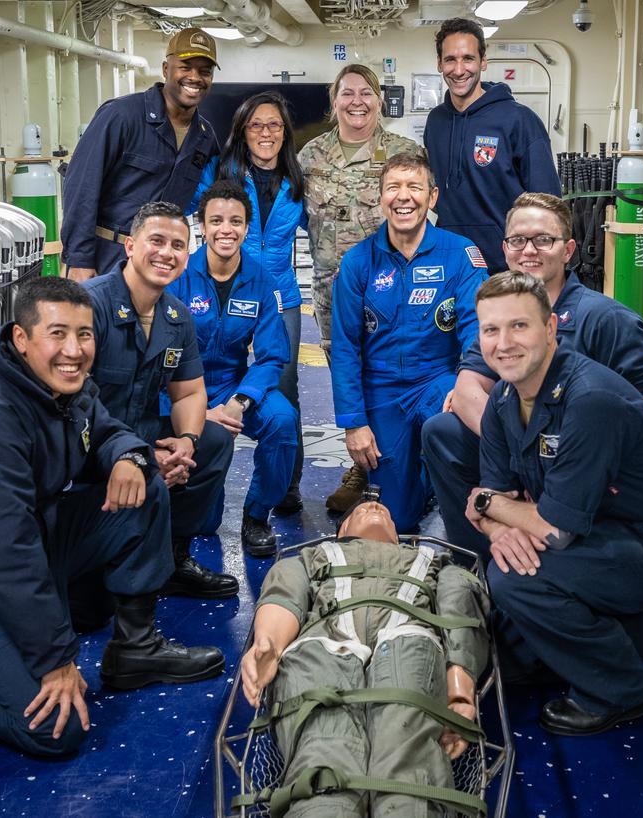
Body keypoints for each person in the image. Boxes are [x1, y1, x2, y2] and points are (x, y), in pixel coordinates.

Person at [0, 277, 224, 758]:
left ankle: (135, 647)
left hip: (35, 540)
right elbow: (5, 558)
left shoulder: (62, 388)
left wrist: (128, 457)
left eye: (84, 334)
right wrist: (57, 659)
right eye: (58, 334)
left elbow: (107, 430)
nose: (74, 350)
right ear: (21, 339)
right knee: (57, 731)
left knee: (144, 486)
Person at [466, 272, 643, 736]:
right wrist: (497, 525)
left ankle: (621, 691)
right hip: (594, 536)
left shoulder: (590, 398)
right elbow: (493, 501)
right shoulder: (504, 399)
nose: (503, 343)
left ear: (551, 330)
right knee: (509, 658)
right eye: (491, 330)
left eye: (519, 327)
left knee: (515, 580)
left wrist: (488, 506)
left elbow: (550, 529)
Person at [423, 192, 643, 556]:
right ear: (505, 250)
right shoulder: (501, 313)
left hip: (590, 467)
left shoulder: (610, 322)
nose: (529, 251)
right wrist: (522, 448)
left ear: (568, 250)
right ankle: (483, 556)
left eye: (544, 240)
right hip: (526, 457)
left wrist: (553, 454)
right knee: (442, 432)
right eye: (518, 241)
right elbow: (467, 389)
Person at [239, 499, 490, 817]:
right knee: (322, 752)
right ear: (339, 532)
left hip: (409, 639)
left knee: (407, 741)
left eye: (385, 511)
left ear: (398, 535)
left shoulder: (435, 563)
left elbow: (460, 612)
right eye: (358, 511)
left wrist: (460, 685)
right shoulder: (308, 559)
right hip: (323, 643)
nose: (373, 506)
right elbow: (284, 595)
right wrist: (270, 645)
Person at [83, 201, 239, 600]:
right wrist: (135, 453)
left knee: (214, 441)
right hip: (85, 443)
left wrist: (185, 443)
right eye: (157, 241)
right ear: (130, 246)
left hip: (139, 432)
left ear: (187, 257)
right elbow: (73, 404)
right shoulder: (88, 306)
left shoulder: (176, 317)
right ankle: (104, 553)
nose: (166, 253)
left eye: (178, 245)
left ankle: (170, 557)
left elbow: (188, 391)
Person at [330, 151, 487, 534]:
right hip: (382, 391)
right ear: (380, 196)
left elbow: (476, 329)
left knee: (462, 426)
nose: (404, 197)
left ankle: (445, 477)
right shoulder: (357, 263)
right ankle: (419, 478)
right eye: (393, 187)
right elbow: (346, 347)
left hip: (438, 380)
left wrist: (467, 384)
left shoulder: (461, 255)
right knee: (397, 520)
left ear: (432, 197)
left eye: (414, 187)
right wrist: (354, 424)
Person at [299, 65, 420, 515]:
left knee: (394, 374)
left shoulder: (404, 152)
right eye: (346, 93)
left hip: (391, 290)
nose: (357, 101)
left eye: (365, 92)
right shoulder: (311, 156)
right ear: (333, 101)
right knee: (347, 379)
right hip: (333, 294)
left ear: (379, 98)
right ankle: (360, 468)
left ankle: (404, 465)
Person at [189, 91, 309, 515]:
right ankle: (197, 481)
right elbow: (194, 208)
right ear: (242, 130)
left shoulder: (298, 178)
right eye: (256, 124)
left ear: (284, 132)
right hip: (227, 280)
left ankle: (286, 486)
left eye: (274, 124)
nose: (266, 132)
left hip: (280, 293)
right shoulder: (222, 172)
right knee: (203, 370)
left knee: (285, 388)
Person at [167, 181, 299, 557]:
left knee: (282, 420)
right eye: (217, 221)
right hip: (181, 389)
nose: (226, 229)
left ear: (246, 227)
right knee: (205, 524)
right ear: (202, 226)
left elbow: (273, 355)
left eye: (236, 221)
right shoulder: (178, 278)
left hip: (235, 385)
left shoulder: (262, 281)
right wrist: (198, 412)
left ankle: (256, 515)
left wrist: (240, 401)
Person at [59, 28, 220, 280]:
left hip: (163, 263)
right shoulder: (122, 116)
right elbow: (81, 187)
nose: (195, 77)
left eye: (204, 71)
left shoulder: (205, 136)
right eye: (186, 67)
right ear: (166, 69)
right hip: (109, 258)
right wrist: (78, 259)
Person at [424, 18, 561, 272]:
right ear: (439, 64)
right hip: (450, 264)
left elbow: (548, 204)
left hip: (506, 267)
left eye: (468, 58)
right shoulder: (436, 122)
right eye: (450, 59)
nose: (459, 69)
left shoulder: (519, 119)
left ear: (483, 61)